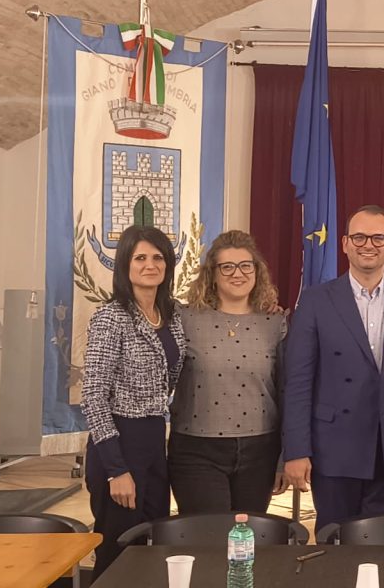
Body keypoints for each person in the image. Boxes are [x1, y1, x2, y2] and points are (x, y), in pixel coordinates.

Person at [282, 205, 384, 534]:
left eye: (378, 238)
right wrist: (297, 451)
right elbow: (299, 382)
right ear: (345, 243)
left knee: (380, 543)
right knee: (333, 542)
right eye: (359, 237)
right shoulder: (316, 301)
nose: (368, 245)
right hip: (333, 448)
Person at [82, 225, 185, 578]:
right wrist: (116, 469)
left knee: (152, 547)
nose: (150, 265)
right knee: (118, 553)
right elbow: (93, 396)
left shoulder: (172, 316)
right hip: (118, 444)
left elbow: (171, 377)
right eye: (140, 257)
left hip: (154, 442)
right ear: (125, 264)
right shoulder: (111, 317)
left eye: (158, 257)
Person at [168, 230, 288, 513]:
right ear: (212, 273)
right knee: (209, 534)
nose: (238, 273)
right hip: (197, 450)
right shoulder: (184, 318)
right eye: (227, 267)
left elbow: (285, 393)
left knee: (248, 534)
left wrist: (284, 457)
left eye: (246, 265)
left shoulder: (275, 322)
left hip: (260, 451)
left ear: (257, 271)